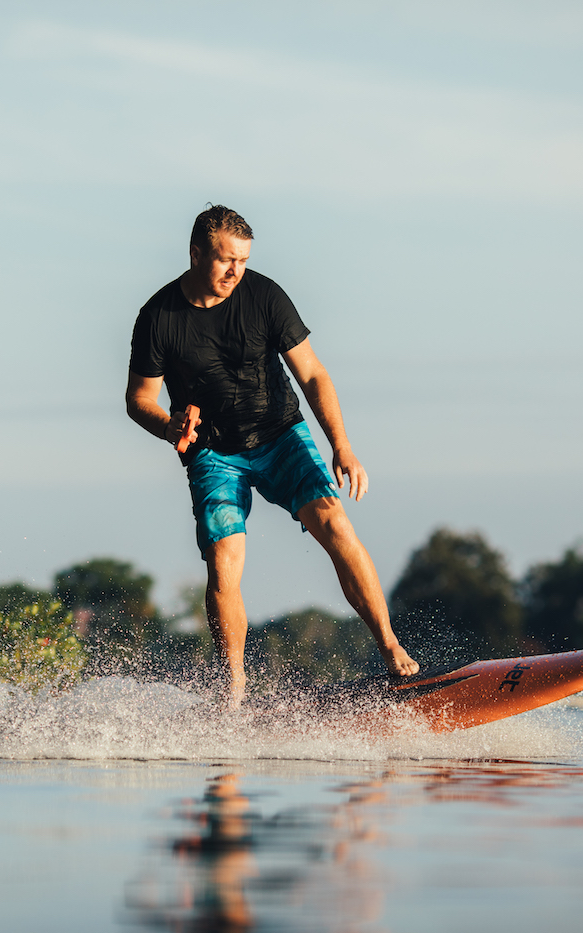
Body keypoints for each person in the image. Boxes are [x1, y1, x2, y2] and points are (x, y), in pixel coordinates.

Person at [126, 205, 420, 708]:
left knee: (336, 525)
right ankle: (234, 693)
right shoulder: (158, 317)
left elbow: (312, 375)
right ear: (196, 254)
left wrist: (341, 445)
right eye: (225, 260)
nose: (235, 271)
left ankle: (392, 650)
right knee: (223, 562)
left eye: (242, 260)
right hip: (213, 452)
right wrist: (167, 425)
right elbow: (139, 401)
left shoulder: (264, 295)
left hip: (281, 433)